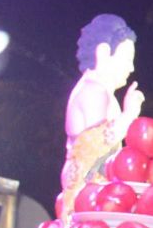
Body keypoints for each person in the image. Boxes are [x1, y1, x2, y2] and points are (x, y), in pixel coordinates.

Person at [57, 14, 141, 217]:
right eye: (127, 59)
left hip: (99, 193)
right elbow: (97, 144)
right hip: (86, 195)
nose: (131, 68)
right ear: (103, 52)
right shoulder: (93, 91)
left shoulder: (102, 92)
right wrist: (129, 114)